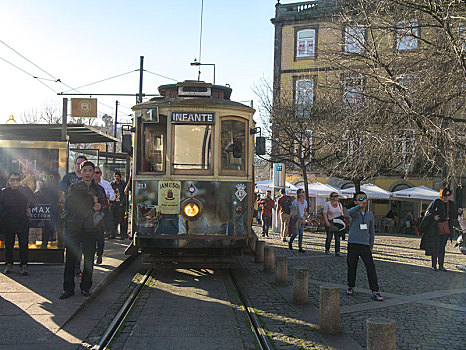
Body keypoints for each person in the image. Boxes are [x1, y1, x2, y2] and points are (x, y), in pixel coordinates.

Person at [59, 161, 107, 299]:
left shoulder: (99, 189)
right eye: (84, 170)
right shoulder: (74, 187)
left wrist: (99, 208)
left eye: (90, 170)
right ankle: (68, 289)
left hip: (90, 228)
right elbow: (69, 206)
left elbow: (104, 206)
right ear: (80, 172)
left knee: (89, 259)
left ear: (94, 172)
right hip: (74, 226)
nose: (87, 173)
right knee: (70, 259)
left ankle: (86, 287)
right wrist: (91, 207)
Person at [346, 191, 384, 301]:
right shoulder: (355, 212)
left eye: (365, 198)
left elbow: (371, 231)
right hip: (353, 243)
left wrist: (371, 245)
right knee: (352, 266)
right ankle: (350, 286)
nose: (363, 201)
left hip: (365, 245)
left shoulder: (370, 214)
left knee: (371, 268)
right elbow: (350, 212)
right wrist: (359, 206)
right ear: (355, 201)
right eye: (360, 199)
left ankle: (375, 290)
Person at [2, 172, 37, 275]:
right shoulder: (4, 192)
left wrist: (30, 208)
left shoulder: (25, 190)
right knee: (8, 245)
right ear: (9, 181)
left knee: (23, 244)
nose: (15, 182)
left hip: (22, 221)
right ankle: (9, 264)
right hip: (8, 221)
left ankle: (24, 266)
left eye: (17, 179)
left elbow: (34, 200)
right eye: (13, 179)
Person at [59, 155, 87, 277]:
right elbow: (61, 185)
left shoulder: (86, 179)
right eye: (77, 163)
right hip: (70, 214)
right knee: (70, 244)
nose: (79, 166)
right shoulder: (69, 177)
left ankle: (77, 267)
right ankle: (70, 268)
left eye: (82, 164)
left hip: (83, 215)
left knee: (80, 245)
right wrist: (71, 190)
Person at [420, 187, 459, 271]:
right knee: (435, 247)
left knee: (442, 247)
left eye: (448, 195)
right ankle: (434, 265)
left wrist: (459, 212)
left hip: (445, 228)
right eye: (445, 195)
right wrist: (433, 216)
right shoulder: (436, 202)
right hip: (435, 228)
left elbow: (454, 215)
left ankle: (441, 265)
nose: (446, 197)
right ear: (441, 195)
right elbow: (428, 212)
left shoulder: (451, 204)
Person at [93, 166, 115, 264]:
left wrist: (100, 205)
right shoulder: (84, 187)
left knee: (100, 237)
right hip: (89, 217)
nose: (95, 175)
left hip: (100, 216)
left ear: (100, 173)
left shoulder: (102, 186)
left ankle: (99, 255)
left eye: (97, 173)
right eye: (93, 173)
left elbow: (107, 202)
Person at [323, 191, 344, 256]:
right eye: (335, 196)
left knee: (337, 238)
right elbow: (325, 213)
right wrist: (326, 222)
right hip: (330, 222)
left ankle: (337, 251)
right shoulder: (328, 204)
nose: (337, 197)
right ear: (331, 197)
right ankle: (327, 249)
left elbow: (341, 213)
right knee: (329, 237)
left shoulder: (339, 204)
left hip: (337, 223)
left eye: (337, 196)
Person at [288, 189, 308, 253]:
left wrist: (307, 218)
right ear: (299, 194)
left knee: (301, 234)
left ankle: (300, 247)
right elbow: (292, 210)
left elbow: (305, 211)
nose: (304, 193)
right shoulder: (295, 201)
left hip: (302, 219)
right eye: (303, 192)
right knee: (296, 233)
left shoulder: (305, 202)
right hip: (296, 219)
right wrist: (289, 218)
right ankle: (290, 242)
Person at [110, 171, 128, 240]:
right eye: (115, 176)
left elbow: (125, 194)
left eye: (118, 176)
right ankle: (113, 234)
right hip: (114, 204)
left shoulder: (123, 184)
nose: (116, 178)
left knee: (122, 221)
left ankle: (122, 235)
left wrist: (122, 202)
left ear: (120, 177)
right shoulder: (112, 184)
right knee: (113, 220)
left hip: (121, 204)